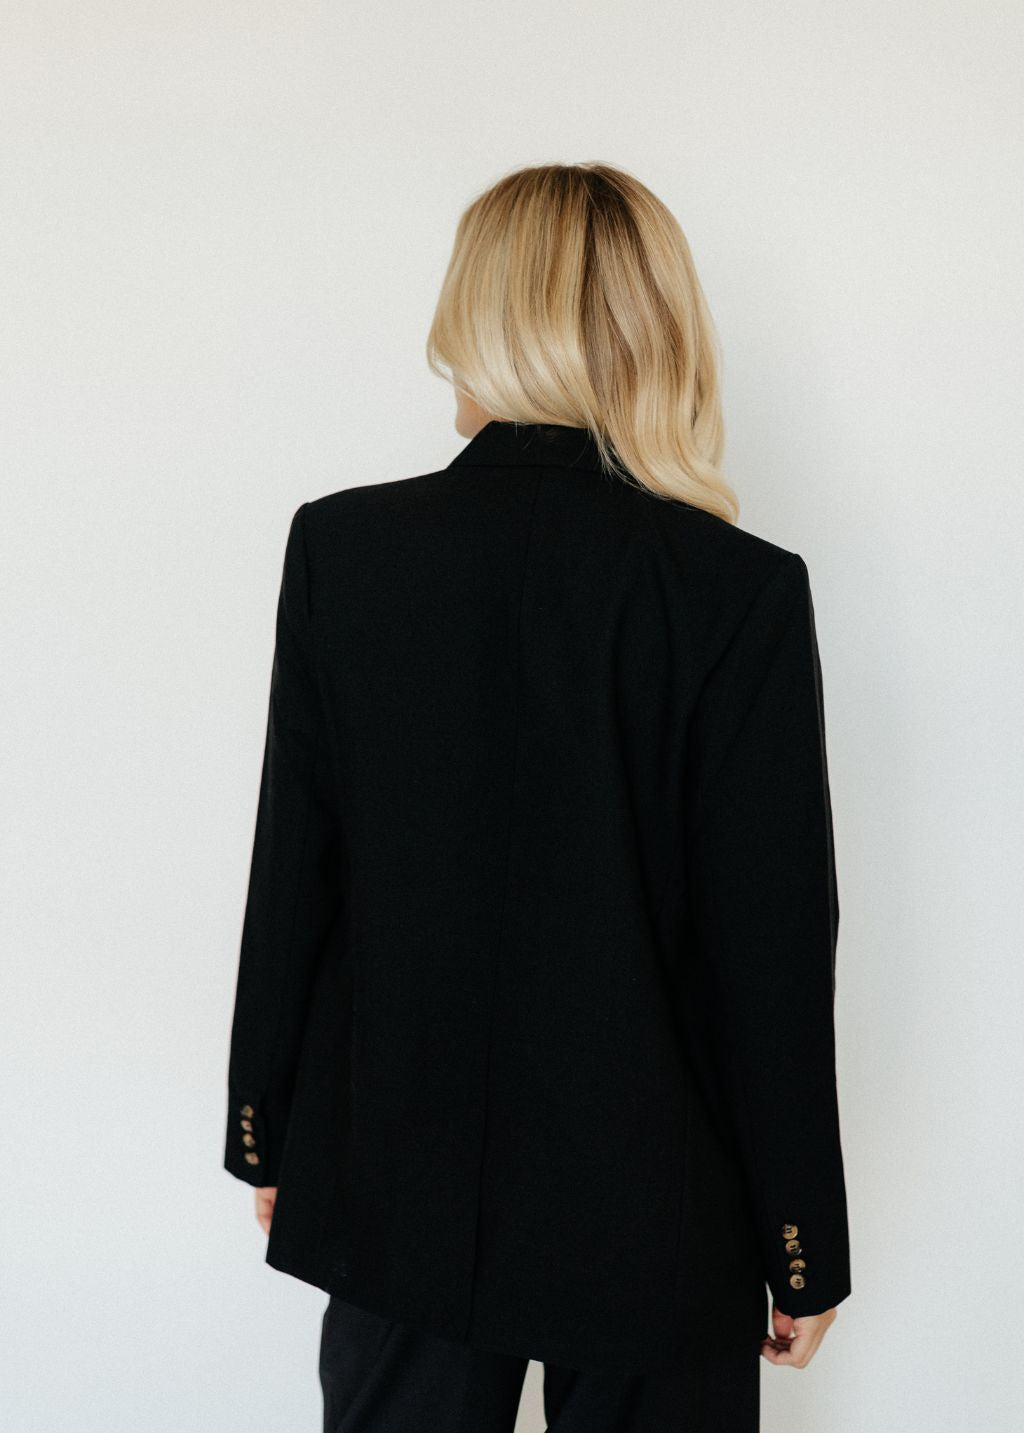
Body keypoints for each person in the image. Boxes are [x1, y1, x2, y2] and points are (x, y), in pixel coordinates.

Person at [223, 161, 851, 1432]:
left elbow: (297, 869)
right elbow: (770, 950)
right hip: (660, 1201)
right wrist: (801, 1240)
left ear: (484, 313)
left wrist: (268, 1127)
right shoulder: (734, 590)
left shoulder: (344, 549)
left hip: (393, 1169)